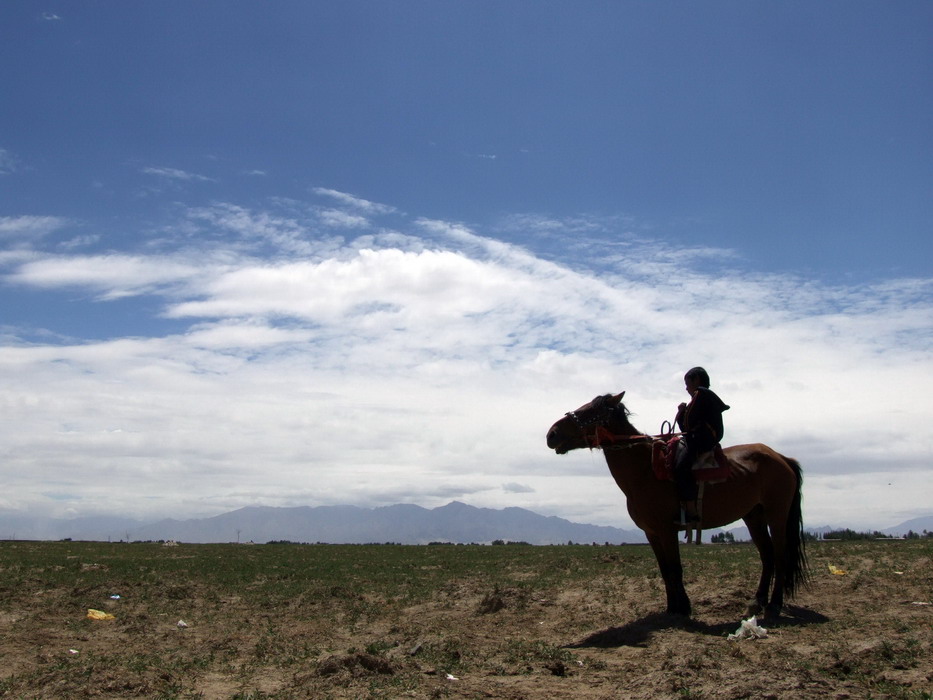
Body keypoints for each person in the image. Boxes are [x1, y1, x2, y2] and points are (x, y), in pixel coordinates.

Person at [673, 367, 730, 524]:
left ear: (696, 379)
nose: (686, 388)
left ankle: (691, 510)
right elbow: (686, 427)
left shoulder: (700, 394)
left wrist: (682, 412)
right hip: (700, 438)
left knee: (681, 467)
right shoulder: (702, 396)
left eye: (687, 383)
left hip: (701, 440)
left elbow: (688, 423)